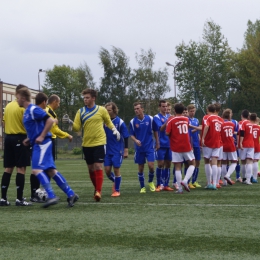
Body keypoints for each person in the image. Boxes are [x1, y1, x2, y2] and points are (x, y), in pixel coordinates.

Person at [16, 89, 79, 208]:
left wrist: (42, 136)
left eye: (17, 97)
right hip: (40, 143)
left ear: (23, 98)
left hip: (42, 143)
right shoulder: (27, 111)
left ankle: (51, 195)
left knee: (36, 170)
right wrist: (30, 138)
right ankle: (71, 194)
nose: (17, 100)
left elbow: (49, 121)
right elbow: (38, 126)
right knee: (51, 170)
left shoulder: (33, 109)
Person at [66, 88, 120, 202]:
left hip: (100, 142)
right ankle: (96, 189)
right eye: (84, 98)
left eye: (87, 97)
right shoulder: (80, 112)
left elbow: (108, 121)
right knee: (91, 169)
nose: (85, 100)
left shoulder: (101, 110)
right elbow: (77, 128)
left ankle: (98, 192)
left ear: (93, 98)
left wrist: (114, 129)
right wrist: (71, 124)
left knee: (98, 166)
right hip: (87, 144)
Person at [0, 84, 32, 206]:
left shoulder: (7, 106)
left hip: (8, 138)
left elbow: (4, 123)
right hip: (20, 138)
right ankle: (19, 199)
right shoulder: (22, 107)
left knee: (8, 168)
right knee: (21, 168)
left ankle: (3, 198)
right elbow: (26, 124)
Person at [129, 102, 159, 193]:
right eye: (135, 109)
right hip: (139, 149)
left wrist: (157, 142)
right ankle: (142, 187)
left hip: (149, 147)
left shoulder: (150, 119)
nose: (136, 110)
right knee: (141, 167)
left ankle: (150, 182)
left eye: (138, 108)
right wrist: (135, 140)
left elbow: (155, 130)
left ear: (142, 109)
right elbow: (131, 134)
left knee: (151, 166)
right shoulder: (133, 121)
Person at [166, 103, 195, 194]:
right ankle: (185, 180)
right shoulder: (186, 119)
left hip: (175, 146)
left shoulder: (171, 120)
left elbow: (167, 133)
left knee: (177, 167)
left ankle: (180, 189)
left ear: (174, 110)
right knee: (192, 163)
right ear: (183, 111)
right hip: (186, 145)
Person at [104, 102, 129, 197]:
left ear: (114, 110)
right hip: (107, 150)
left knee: (116, 169)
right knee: (107, 171)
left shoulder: (120, 122)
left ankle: (117, 190)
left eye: (109, 110)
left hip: (117, 150)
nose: (107, 112)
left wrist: (126, 150)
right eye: (106, 110)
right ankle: (116, 181)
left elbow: (126, 136)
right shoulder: (104, 122)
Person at [201, 104, 223, 190]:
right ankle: (215, 183)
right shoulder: (220, 119)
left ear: (207, 110)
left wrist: (202, 138)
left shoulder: (207, 117)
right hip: (218, 142)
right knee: (215, 162)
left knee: (207, 161)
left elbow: (206, 126)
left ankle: (209, 183)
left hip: (208, 141)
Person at [153, 100, 173, 192]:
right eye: (163, 106)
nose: (165, 108)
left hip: (170, 144)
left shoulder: (170, 117)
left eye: (166, 106)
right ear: (159, 107)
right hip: (161, 144)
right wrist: (167, 121)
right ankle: (159, 184)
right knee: (160, 164)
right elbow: (160, 129)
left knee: (168, 164)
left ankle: (166, 184)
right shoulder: (156, 117)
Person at [46, 94, 73, 160]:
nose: (59, 105)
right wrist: (67, 135)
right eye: (58, 103)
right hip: (49, 140)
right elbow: (54, 130)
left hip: (45, 140)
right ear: (54, 101)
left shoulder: (46, 110)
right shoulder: (50, 112)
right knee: (50, 166)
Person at [220, 109, 237, 185]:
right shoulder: (232, 124)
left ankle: (224, 182)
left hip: (223, 145)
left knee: (223, 163)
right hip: (230, 145)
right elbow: (231, 134)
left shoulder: (221, 124)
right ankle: (227, 175)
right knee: (234, 162)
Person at [238, 109, 254, 185]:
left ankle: (244, 178)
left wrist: (240, 142)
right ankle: (248, 180)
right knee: (250, 162)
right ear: (248, 116)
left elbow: (242, 133)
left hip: (244, 144)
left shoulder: (242, 122)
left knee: (243, 162)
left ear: (242, 115)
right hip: (251, 144)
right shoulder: (251, 123)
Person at [187, 104, 201, 188]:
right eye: (191, 111)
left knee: (198, 162)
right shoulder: (187, 120)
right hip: (190, 144)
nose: (192, 113)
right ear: (188, 112)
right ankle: (188, 182)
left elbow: (198, 132)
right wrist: (197, 128)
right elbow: (189, 132)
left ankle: (194, 181)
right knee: (191, 163)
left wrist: (199, 141)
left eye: (193, 111)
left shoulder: (196, 120)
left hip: (196, 143)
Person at [249, 113, 260, 183]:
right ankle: (255, 178)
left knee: (249, 162)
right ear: (256, 119)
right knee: (255, 161)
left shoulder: (249, 126)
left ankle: (249, 176)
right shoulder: (259, 127)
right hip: (257, 145)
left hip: (250, 145)